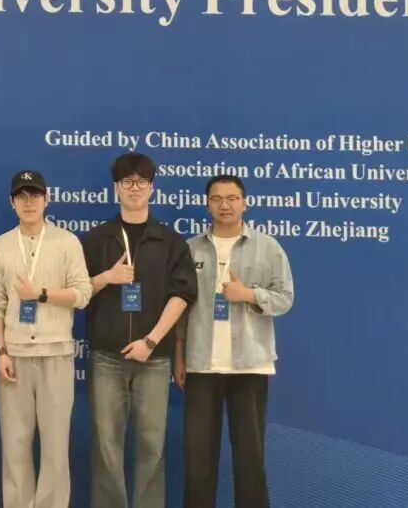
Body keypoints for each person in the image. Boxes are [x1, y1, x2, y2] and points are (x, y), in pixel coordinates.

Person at [82, 153, 197, 508]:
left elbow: (182, 295)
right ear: (115, 188)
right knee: (106, 446)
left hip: (154, 358)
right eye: (127, 182)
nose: (135, 188)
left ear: (152, 188)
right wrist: (107, 278)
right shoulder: (96, 239)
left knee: (151, 446)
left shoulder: (170, 241)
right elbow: (77, 292)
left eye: (142, 182)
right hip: (106, 357)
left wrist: (151, 340)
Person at [174, 175, 294, 508]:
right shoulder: (190, 248)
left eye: (231, 198)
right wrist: (179, 355)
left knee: (249, 458)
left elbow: (285, 298)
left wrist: (249, 295)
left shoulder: (267, 247)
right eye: (216, 198)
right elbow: (181, 307)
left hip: (250, 365)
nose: (224, 205)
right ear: (207, 204)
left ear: (244, 203)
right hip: (201, 364)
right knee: (198, 460)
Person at [0, 170, 92, 508]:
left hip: (56, 354)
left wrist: (41, 294)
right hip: (13, 356)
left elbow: (83, 294)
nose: (28, 202)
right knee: (14, 445)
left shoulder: (67, 242)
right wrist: (0, 351)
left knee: (56, 447)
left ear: (47, 199)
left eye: (35, 195)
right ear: (12, 202)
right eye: (22, 196)